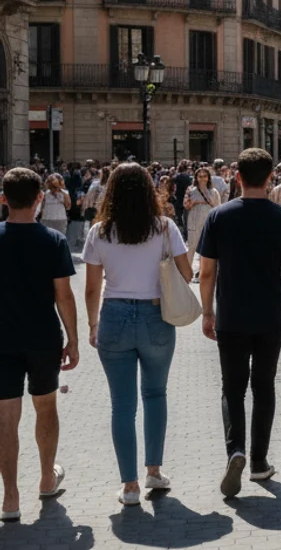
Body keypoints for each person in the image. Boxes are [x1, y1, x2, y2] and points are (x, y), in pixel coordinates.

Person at [197, 149, 281, 498]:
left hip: (231, 314)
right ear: (271, 177)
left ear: (237, 177)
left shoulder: (218, 216)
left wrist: (207, 311)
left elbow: (207, 271)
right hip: (271, 314)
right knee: (264, 386)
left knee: (232, 388)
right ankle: (259, 462)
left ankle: (236, 452)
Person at [82, 163, 191, 506]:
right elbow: (187, 274)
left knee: (122, 405)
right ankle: (153, 471)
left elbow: (90, 288)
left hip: (114, 313)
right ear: (149, 191)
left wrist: (92, 324)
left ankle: (129, 486)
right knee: (155, 395)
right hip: (156, 315)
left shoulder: (99, 232)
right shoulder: (164, 227)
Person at [0, 168, 77, 522]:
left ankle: (10, 497)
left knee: (5, 418)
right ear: (39, 199)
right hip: (44, 337)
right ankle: (47, 478)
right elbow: (64, 296)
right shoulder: (53, 241)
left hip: (2, 339)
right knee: (46, 408)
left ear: (3, 199)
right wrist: (74, 340)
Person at [183, 167, 220, 273]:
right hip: (194, 220)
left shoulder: (214, 191)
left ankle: (204, 272)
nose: (202, 179)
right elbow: (186, 205)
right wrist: (196, 201)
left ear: (208, 178)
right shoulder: (191, 190)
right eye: (200, 176)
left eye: (205, 176)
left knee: (208, 247)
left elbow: (217, 207)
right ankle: (186, 272)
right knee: (192, 246)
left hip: (208, 220)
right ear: (196, 178)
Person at [171, 161, 192, 239]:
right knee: (186, 220)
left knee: (178, 218)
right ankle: (186, 235)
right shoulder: (189, 178)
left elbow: (173, 189)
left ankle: (180, 235)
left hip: (178, 200)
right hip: (187, 199)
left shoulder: (175, 177)